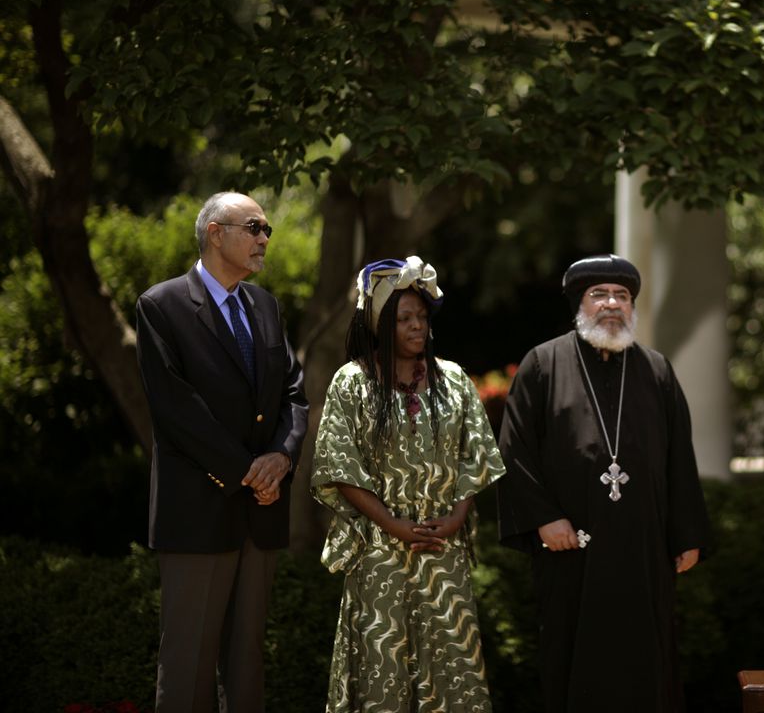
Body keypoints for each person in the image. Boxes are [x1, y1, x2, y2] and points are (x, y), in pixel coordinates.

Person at [496, 254, 713, 713]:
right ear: (580, 304)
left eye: (622, 295)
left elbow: (679, 458)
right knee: (574, 660)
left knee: (646, 662)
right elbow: (514, 450)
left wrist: (687, 533)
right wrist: (544, 519)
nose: (612, 304)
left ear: (632, 307)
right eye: (600, 295)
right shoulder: (543, 364)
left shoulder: (656, 370)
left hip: (644, 550)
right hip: (571, 547)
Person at [136, 191, 308, 713]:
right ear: (215, 233)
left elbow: (295, 395)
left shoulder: (266, 306)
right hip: (199, 512)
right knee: (187, 666)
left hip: (261, 514)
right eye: (254, 228)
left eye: (266, 230)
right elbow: (176, 410)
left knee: (247, 662)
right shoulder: (161, 306)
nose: (264, 239)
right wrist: (246, 473)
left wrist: (281, 457)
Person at [310, 256, 506, 713]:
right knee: (384, 663)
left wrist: (457, 516)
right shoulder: (352, 382)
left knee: (451, 665)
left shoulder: (454, 379)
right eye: (404, 318)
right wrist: (393, 523)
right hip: (380, 550)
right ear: (380, 324)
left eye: (422, 316)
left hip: (444, 550)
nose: (418, 326)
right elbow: (339, 466)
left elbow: (474, 456)